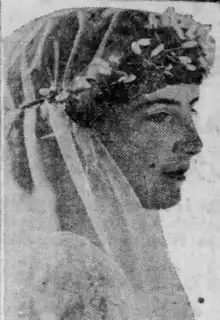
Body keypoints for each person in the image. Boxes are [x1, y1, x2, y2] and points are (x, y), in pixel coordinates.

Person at [4, 6, 216, 320]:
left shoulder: (100, 256)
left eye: (191, 111)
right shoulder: (74, 272)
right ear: (75, 131)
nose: (194, 143)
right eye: (160, 115)